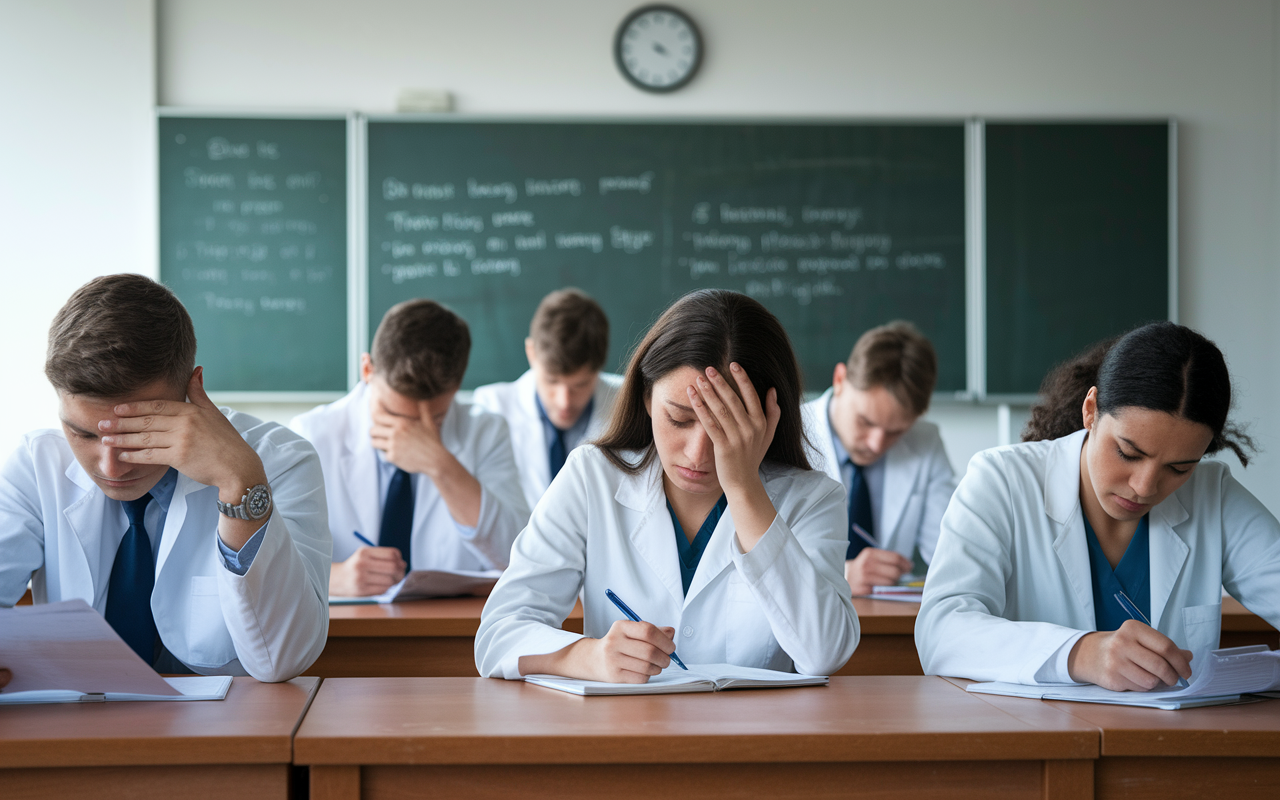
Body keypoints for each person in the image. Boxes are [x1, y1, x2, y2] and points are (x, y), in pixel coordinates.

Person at [475, 289, 859, 682]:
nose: (697, 454)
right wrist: (587, 657)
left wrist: (744, 489)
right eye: (679, 419)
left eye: (724, 429)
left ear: (768, 418)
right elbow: (497, 636)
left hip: (752, 737)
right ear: (645, 397)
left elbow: (824, 653)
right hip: (625, 734)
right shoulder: (591, 477)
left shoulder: (812, 498)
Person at [0, 274, 331, 681]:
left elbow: (283, 659)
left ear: (193, 390)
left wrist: (241, 487)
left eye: (138, 434)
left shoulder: (280, 460)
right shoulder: (36, 465)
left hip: (229, 733)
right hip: (79, 728)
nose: (110, 468)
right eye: (83, 434)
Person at [916, 322, 1280, 691]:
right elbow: (942, 631)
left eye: (1179, 468)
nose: (1144, 487)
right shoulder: (1001, 481)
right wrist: (1080, 653)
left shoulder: (1211, 493)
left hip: (1170, 741)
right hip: (1036, 736)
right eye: (1127, 453)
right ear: (1090, 411)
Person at [292, 299, 529, 597]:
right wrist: (332, 578)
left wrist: (441, 465)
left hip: (449, 632)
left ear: (456, 388)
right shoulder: (309, 436)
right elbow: (266, 566)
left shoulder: (486, 432)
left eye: (438, 418)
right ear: (367, 370)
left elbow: (521, 559)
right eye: (396, 416)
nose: (415, 433)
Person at [802, 322, 956, 596]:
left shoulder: (926, 442)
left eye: (895, 432)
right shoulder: (790, 434)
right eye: (865, 421)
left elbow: (950, 555)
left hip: (886, 619)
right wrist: (841, 574)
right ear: (840, 380)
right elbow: (762, 554)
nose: (876, 444)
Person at [473, 288, 622, 510]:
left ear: (599, 366)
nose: (564, 401)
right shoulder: (490, 407)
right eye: (552, 381)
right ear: (531, 352)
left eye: (580, 385)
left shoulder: (631, 401)